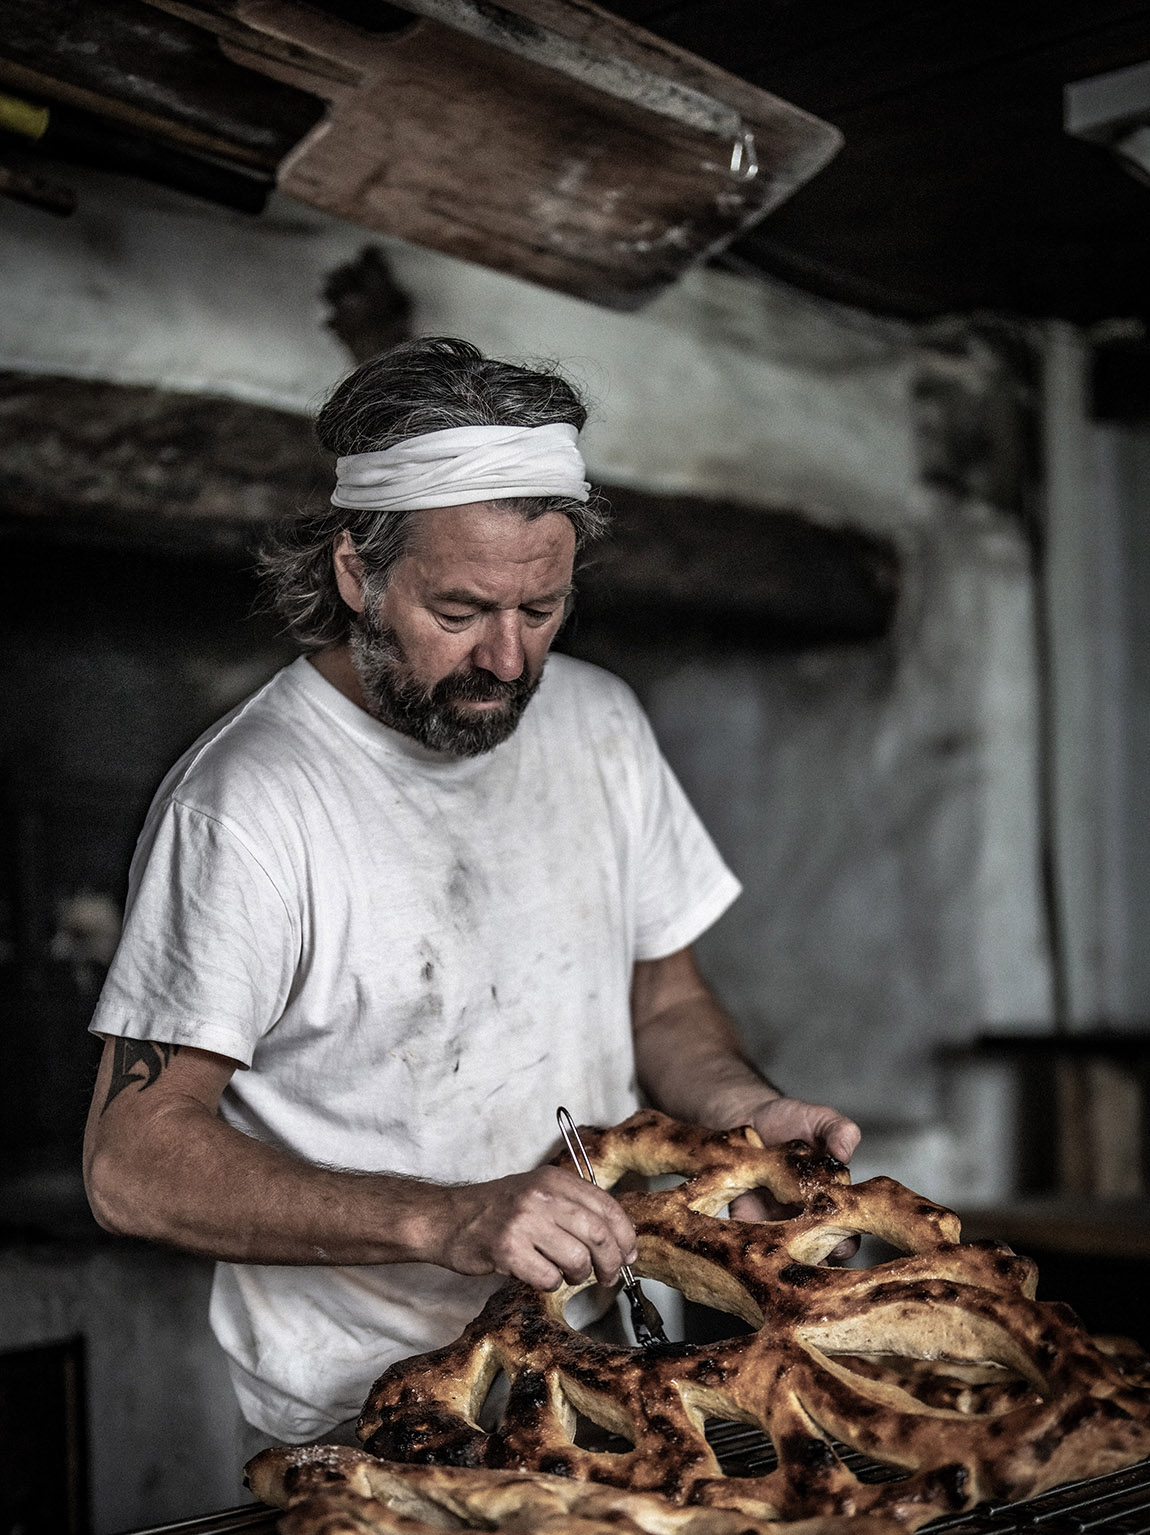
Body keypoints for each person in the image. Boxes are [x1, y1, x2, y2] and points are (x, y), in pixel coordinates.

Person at [84, 337, 860, 1446]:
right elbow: (133, 1163)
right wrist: (447, 1218)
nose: (506, 659)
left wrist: (742, 1113)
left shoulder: (599, 725)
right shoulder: (249, 806)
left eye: (540, 610)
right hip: (371, 1419)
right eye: (458, 612)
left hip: (612, 1374)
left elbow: (663, 1005)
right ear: (359, 572)